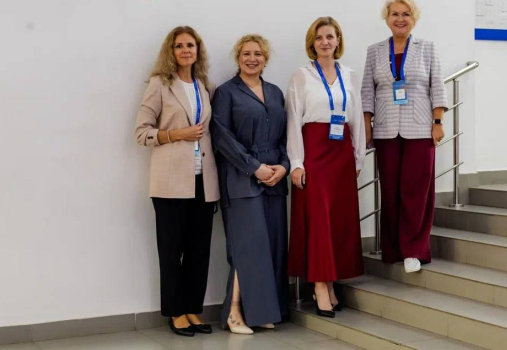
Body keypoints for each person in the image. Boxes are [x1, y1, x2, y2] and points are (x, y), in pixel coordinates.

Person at [134, 26, 219, 337]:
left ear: (198, 50)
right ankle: (175, 311)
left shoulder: (205, 85)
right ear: (171, 51)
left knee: (199, 251)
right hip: (170, 183)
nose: (186, 50)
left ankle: (193, 308)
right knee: (171, 251)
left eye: (190, 45)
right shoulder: (160, 84)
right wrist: (177, 134)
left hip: (203, 181)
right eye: (179, 46)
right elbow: (141, 132)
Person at [361, 0, 448, 273]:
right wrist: (366, 127)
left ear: (414, 18)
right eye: (395, 14)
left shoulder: (427, 48)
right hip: (386, 129)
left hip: (420, 129)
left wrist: (437, 121)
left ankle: (414, 251)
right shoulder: (375, 51)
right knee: (390, 191)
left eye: (406, 14)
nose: (400, 19)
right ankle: (393, 249)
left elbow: (437, 87)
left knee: (416, 191)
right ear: (386, 18)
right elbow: (367, 91)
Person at [286, 17, 366, 318]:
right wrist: (296, 162)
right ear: (312, 42)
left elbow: (356, 118)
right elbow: (293, 119)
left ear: (338, 40)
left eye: (330, 37)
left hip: (341, 153)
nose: (325, 42)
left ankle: (331, 282)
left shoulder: (349, 74)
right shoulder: (302, 75)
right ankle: (319, 285)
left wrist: (358, 157)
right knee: (318, 219)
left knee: (336, 220)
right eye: (319, 37)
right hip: (314, 152)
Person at [211, 35, 290, 334]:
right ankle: (234, 313)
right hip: (241, 178)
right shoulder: (226, 92)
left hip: (275, 178)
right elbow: (222, 139)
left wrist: (284, 166)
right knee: (248, 247)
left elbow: (285, 136)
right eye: (246, 53)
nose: (252, 58)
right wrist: (254, 167)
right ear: (238, 58)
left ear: (265, 59)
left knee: (272, 246)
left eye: (258, 54)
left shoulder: (275, 92)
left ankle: (261, 312)